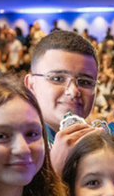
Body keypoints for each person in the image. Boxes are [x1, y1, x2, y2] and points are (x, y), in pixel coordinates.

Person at [25, 30, 102, 175]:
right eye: (58, 78)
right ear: (31, 85)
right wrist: (54, 171)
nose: (73, 91)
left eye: (85, 82)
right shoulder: (15, 148)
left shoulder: (104, 145)